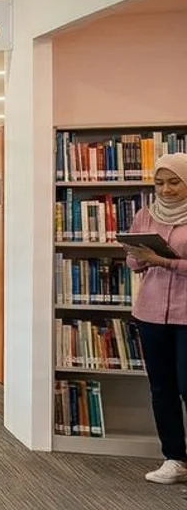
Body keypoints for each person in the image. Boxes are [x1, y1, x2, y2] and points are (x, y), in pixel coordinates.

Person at [126, 153, 187, 484]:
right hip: (150, 313)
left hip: (186, 315)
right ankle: (174, 457)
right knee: (161, 387)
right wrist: (138, 257)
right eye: (160, 183)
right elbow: (134, 264)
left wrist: (165, 262)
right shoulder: (145, 216)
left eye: (174, 182)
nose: (166, 189)